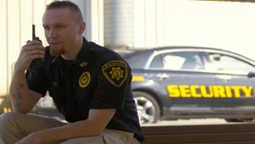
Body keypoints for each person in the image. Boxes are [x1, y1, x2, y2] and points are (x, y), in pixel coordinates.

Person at [0, 1, 144, 144]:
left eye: (59, 27)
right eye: (46, 28)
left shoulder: (109, 64)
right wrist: (19, 69)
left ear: (81, 28)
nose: (51, 35)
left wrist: (37, 138)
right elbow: (22, 108)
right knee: (7, 121)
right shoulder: (46, 58)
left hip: (117, 134)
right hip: (77, 129)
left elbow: (94, 126)